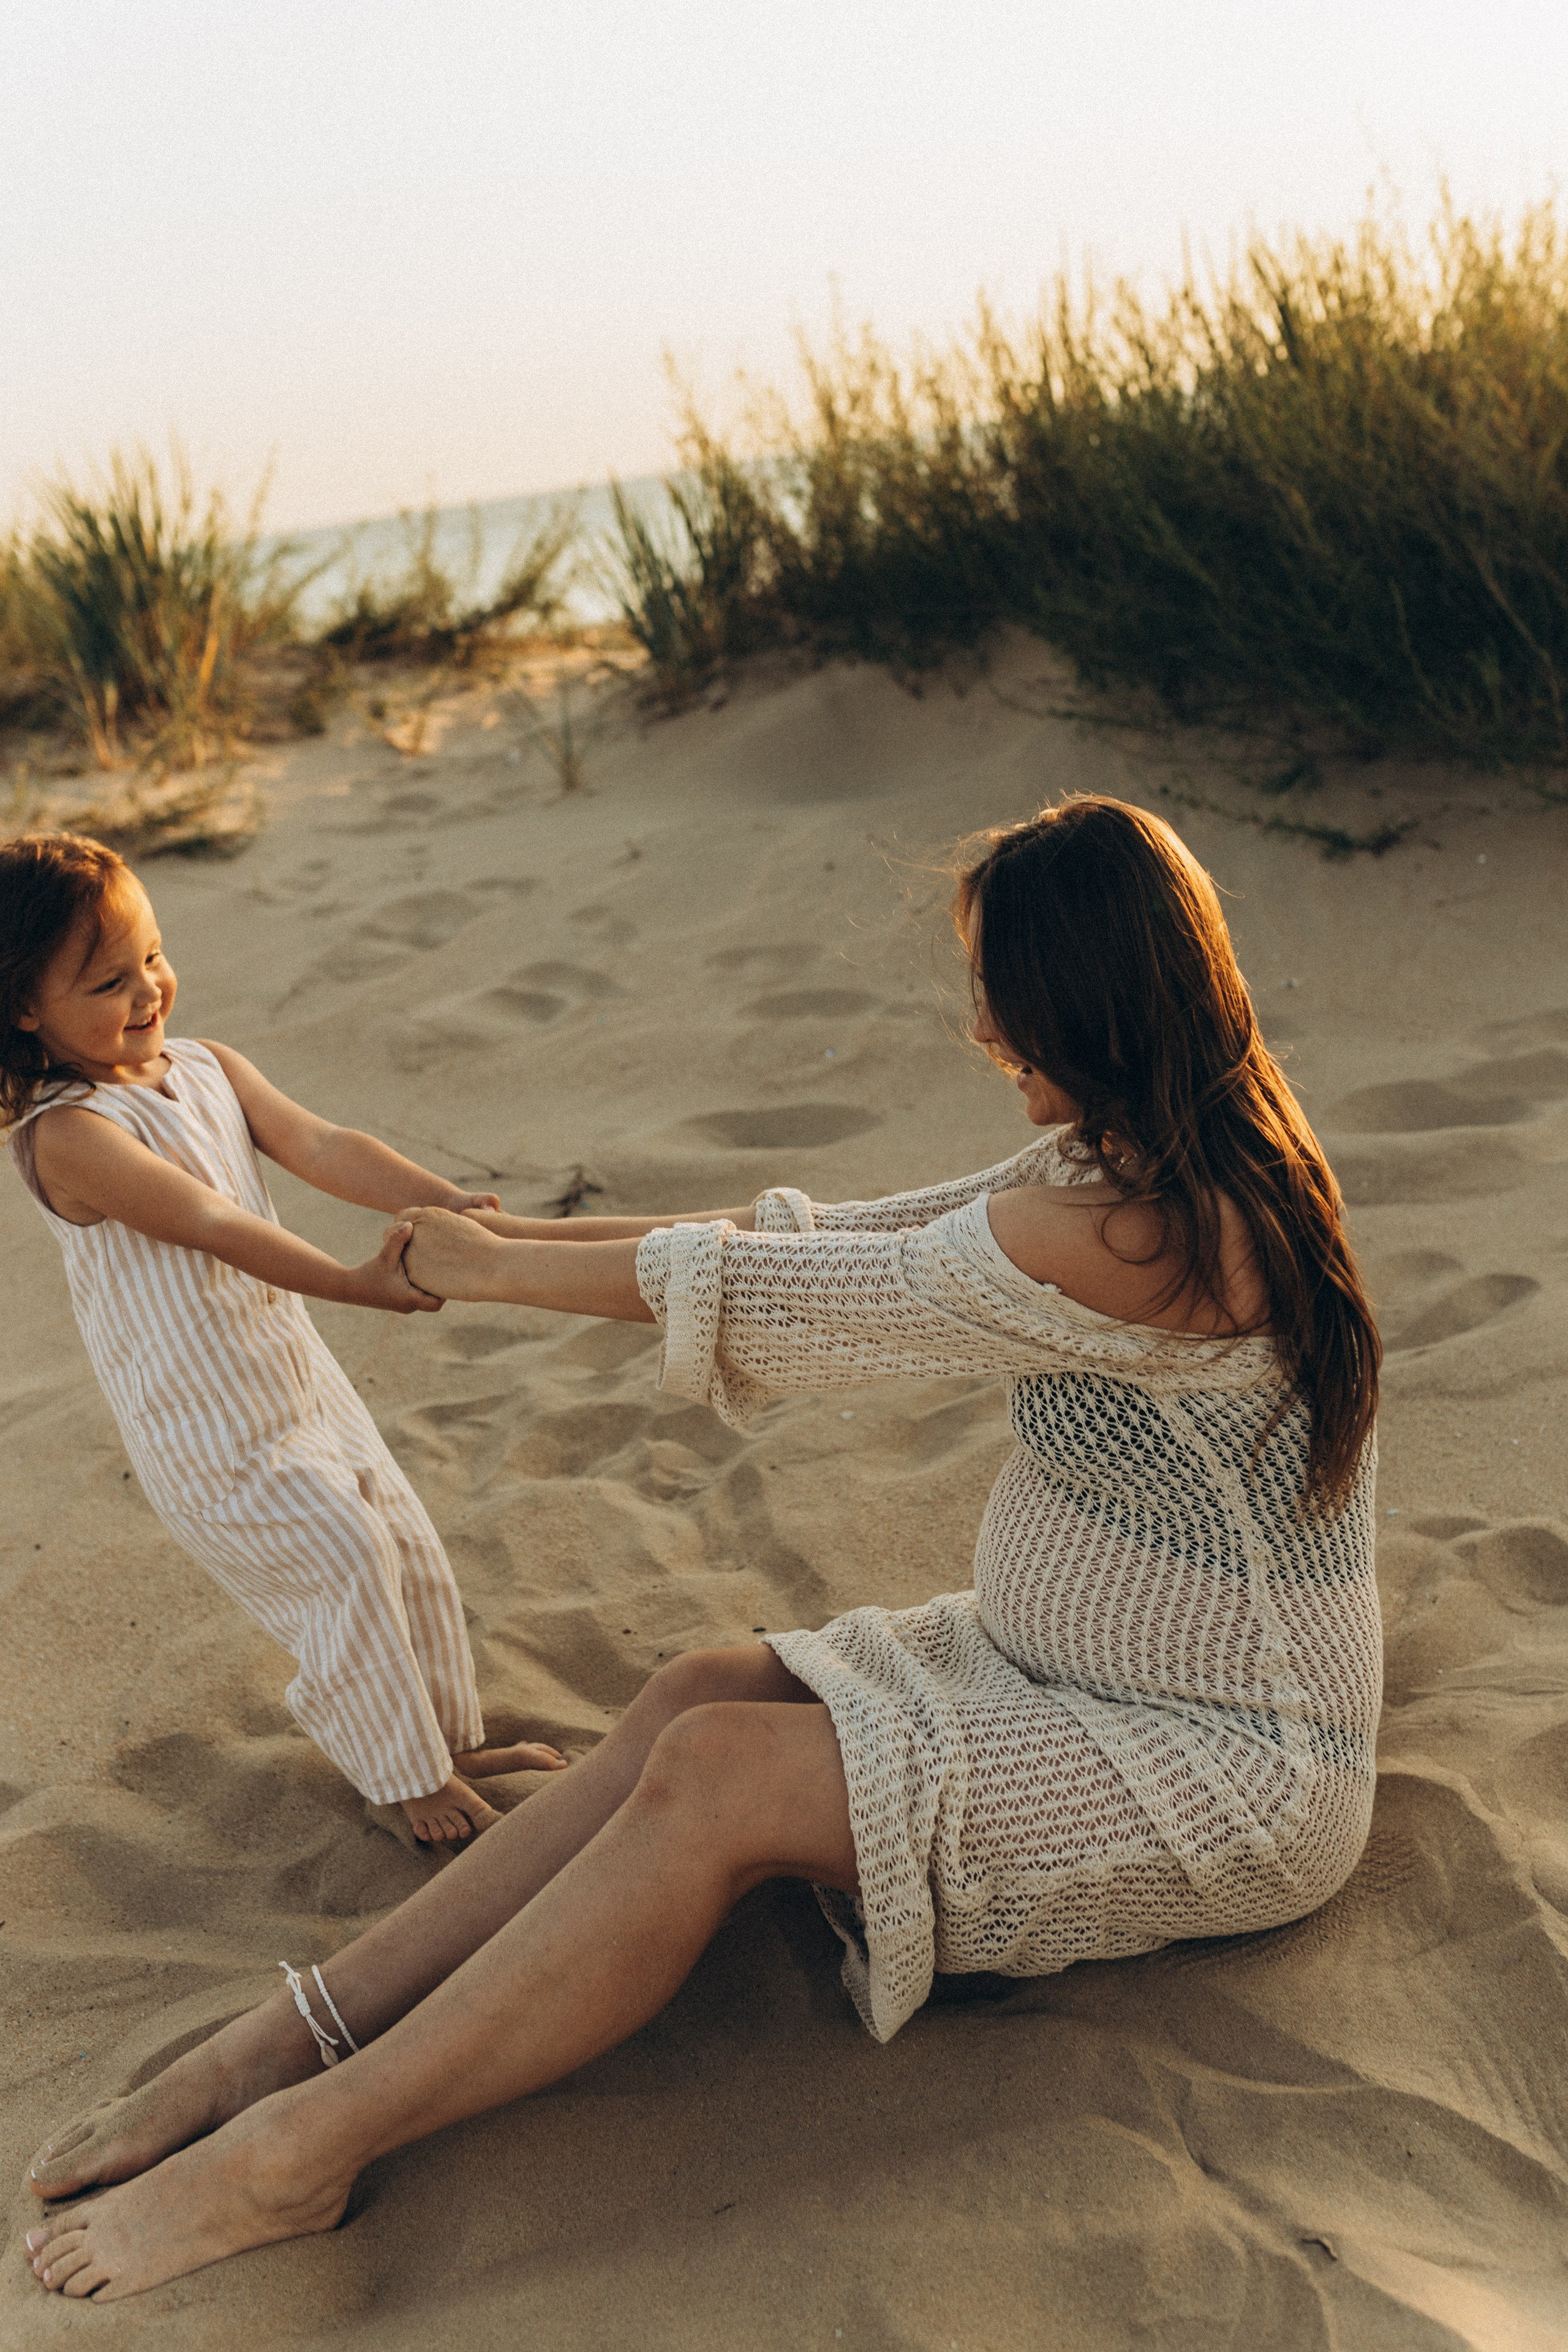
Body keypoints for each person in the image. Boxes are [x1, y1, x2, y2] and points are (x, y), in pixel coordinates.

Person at [25, 796, 1381, 2303]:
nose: (983, 1024)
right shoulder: (1137, 1156)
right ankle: (280, 2040)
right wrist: (507, 1243)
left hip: (1221, 1761)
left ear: (1080, 998)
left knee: (716, 1780)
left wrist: (489, 1275)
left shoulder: (1151, 1234)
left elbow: (816, 1301)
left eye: (997, 990)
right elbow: (825, 1230)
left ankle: (305, 2148)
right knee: (696, 1693)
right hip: (1042, 1668)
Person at [1, 832, 565, 1847]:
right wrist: (357, 1283)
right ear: (24, 1009)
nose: (148, 992)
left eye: (154, 958)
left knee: (404, 1544)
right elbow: (213, 1224)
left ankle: (438, 1743)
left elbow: (320, 1144)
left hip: (299, 1387)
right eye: (109, 982)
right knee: (342, 1563)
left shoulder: (209, 1066)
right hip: (208, 1429)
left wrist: (440, 1200)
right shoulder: (68, 1137)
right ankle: (397, 1781)